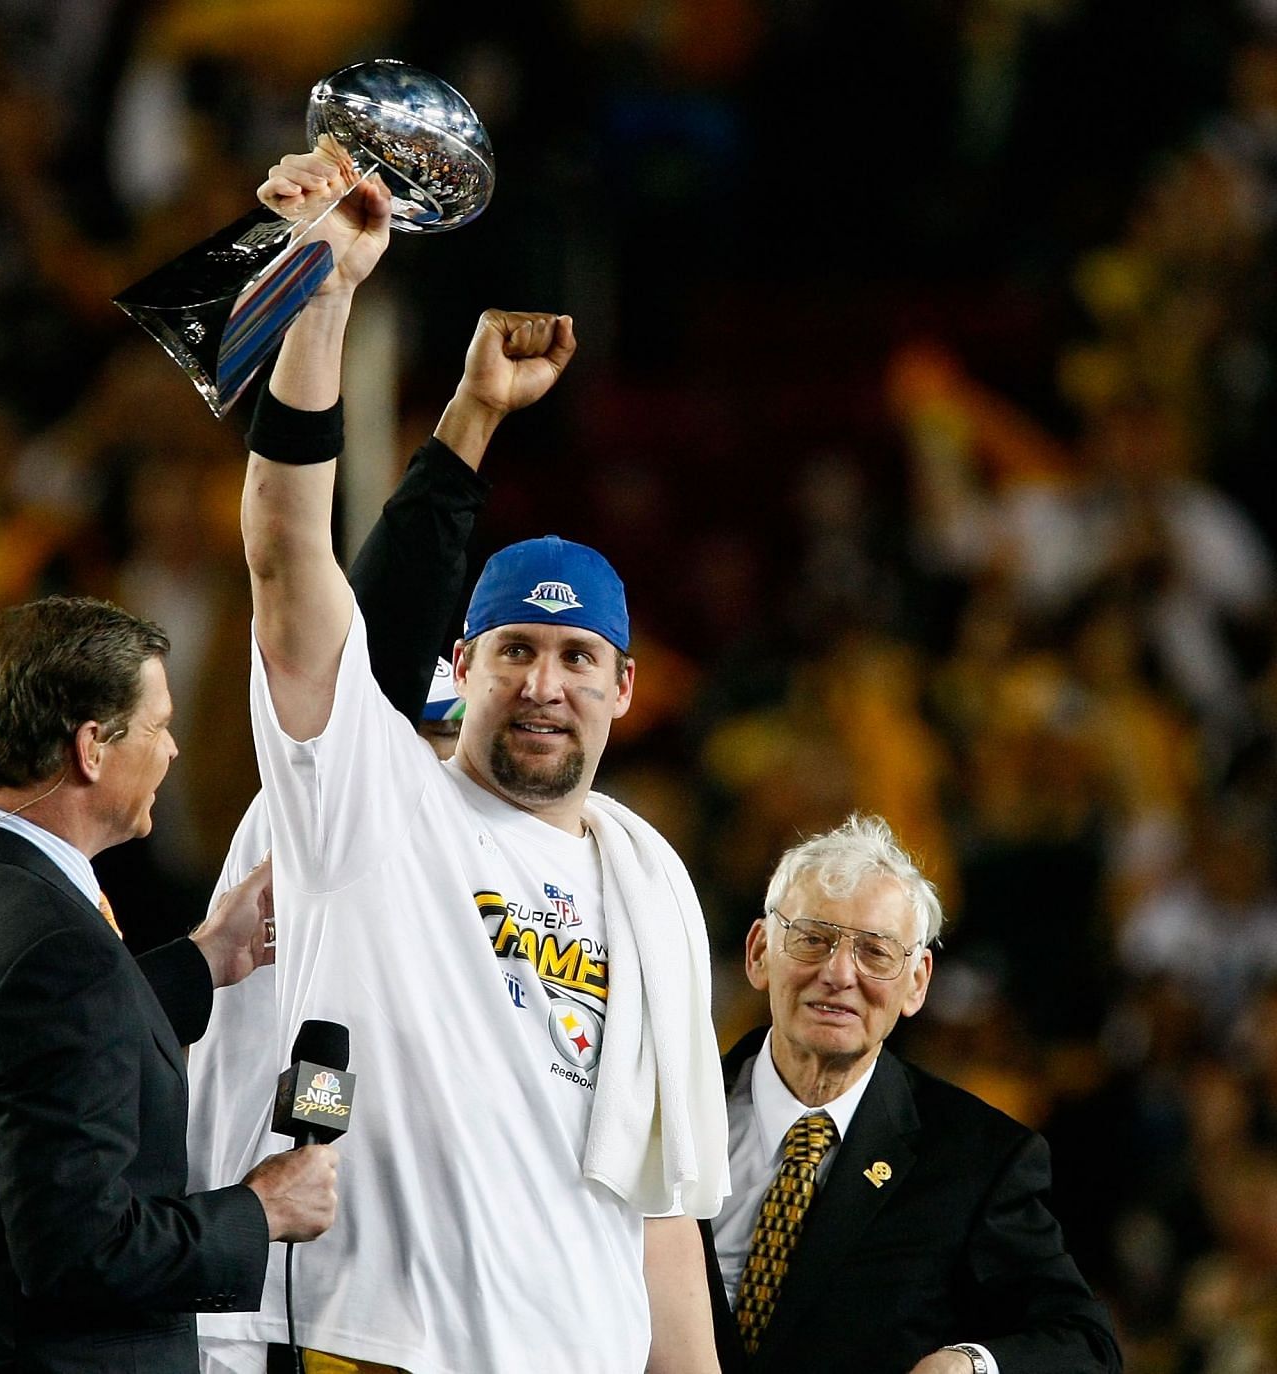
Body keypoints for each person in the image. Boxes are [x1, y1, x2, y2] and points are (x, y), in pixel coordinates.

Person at [219, 141, 731, 1374]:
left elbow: (657, 1202)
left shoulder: (651, 887)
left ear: (624, 688)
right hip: (383, 1350)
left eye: (574, 656)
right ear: (466, 664)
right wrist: (326, 300)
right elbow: (292, 558)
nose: (543, 684)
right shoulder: (374, 805)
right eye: (514, 651)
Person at [0, 596, 339, 1374]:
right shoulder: (58, 954)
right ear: (91, 747)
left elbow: (18, 1050)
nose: (175, 750)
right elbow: (80, 1253)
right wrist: (260, 1210)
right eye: (157, 726)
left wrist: (203, 960)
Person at [700, 813, 1121, 1374]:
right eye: (812, 939)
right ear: (758, 952)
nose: (839, 973)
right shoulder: (668, 1109)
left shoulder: (978, 1161)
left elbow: (1085, 1345)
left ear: (917, 982)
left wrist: (970, 1363)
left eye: (874, 953)